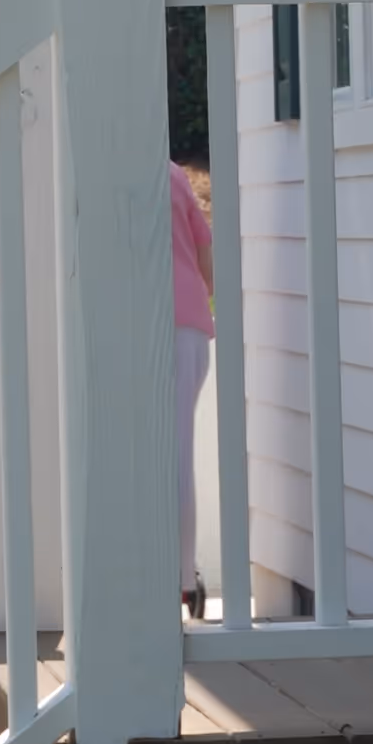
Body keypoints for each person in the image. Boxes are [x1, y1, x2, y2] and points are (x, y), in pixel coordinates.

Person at [170, 159, 214, 618]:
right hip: (188, 325)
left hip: (144, 325)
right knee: (178, 454)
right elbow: (205, 255)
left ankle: (175, 575)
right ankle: (184, 576)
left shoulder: (94, 167)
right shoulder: (174, 175)